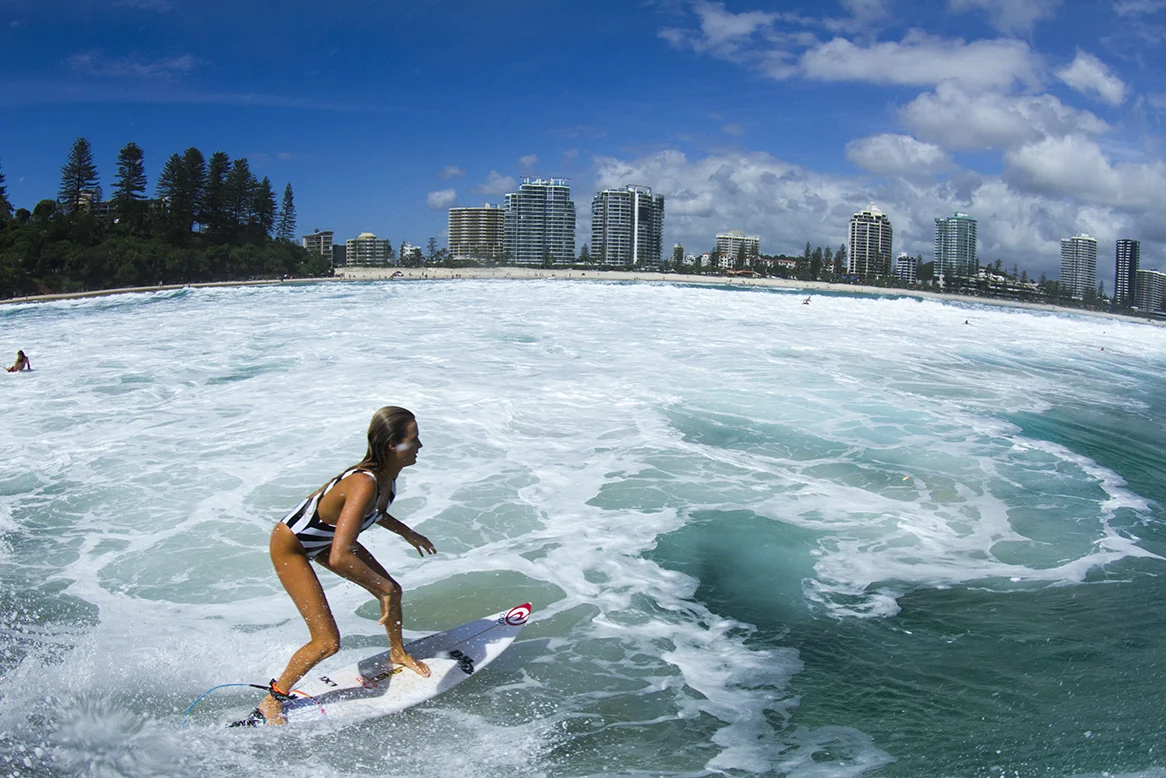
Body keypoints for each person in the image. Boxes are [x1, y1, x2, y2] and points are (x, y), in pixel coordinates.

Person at [237, 406, 436, 726]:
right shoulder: (365, 482)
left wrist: (408, 533)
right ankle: (271, 701)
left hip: (328, 540)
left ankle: (397, 652)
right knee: (327, 642)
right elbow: (341, 555)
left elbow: (375, 513)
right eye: (414, 439)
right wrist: (381, 588)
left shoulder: (386, 479)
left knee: (392, 590)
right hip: (293, 547)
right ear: (392, 445)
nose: (420, 446)